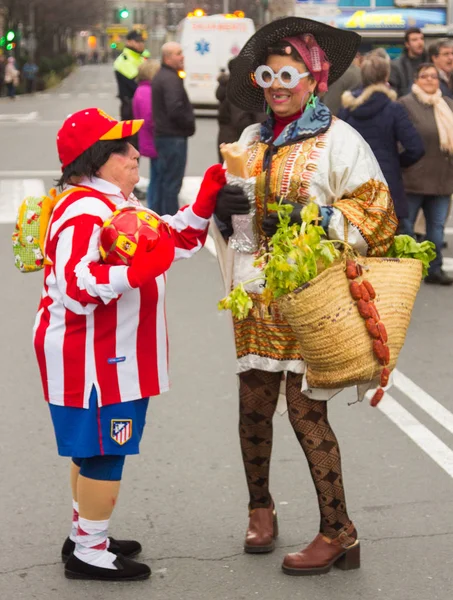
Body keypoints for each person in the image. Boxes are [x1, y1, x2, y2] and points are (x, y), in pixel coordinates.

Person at [213, 16, 397, 576]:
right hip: (255, 297)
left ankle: (339, 530)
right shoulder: (249, 140)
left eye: (288, 73)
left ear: (313, 78)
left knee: (305, 412)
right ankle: (260, 508)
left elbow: (379, 215)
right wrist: (224, 216)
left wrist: (317, 216)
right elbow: (235, 231)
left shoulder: (340, 140)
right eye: (267, 74)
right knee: (253, 406)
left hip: (314, 298)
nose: (276, 84)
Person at [33, 107, 226, 581]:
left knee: (92, 448)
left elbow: (170, 240)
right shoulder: (84, 211)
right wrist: (135, 272)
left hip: (109, 353)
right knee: (104, 449)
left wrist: (203, 203)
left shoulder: (116, 203)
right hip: (96, 358)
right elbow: (77, 288)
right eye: (121, 149)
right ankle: (89, 551)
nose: (135, 153)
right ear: (95, 160)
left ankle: (85, 533)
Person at [338, 49, 424, 226]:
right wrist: (397, 162)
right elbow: (416, 148)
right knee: (394, 240)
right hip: (387, 182)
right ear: (386, 76)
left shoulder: (347, 109)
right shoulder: (393, 108)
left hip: (354, 183)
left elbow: (337, 145)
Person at [399, 63, 453, 285]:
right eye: (425, 76)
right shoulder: (405, 105)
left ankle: (435, 269)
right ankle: (406, 269)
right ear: (416, 80)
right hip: (413, 179)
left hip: (442, 179)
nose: (430, 80)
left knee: (436, 230)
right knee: (407, 228)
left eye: (434, 76)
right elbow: (399, 141)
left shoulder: (447, 105)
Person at [152, 42, 195, 215]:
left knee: (164, 182)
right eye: (178, 53)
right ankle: (170, 222)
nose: (182, 56)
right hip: (173, 137)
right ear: (167, 57)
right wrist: (189, 124)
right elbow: (175, 109)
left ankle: (161, 218)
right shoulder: (170, 79)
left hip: (165, 136)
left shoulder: (163, 75)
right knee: (171, 184)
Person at [216, 58, 266, 162]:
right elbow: (241, 120)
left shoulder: (228, 86)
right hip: (237, 143)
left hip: (227, 139)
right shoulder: (239, 90)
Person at [132, 59, 160, 209]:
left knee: (156, 175)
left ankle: (153, 205)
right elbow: (150, 118)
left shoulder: (141, 90)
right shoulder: (148, 91)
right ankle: (153, 207)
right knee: (157, 178)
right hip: (153, 139)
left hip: (147, 139)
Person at [113, 30, 146, 121]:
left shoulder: (140, 58)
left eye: (142, 41)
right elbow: (135, 83)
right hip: (131, 105)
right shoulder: (124, 60)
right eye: (137, 41)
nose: (141, 44)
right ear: (128, 42)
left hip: (141, 103)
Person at [389, 27, 427, 98]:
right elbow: (394, 92)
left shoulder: (430, 62)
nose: (420, 42)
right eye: (414, 40)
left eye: (421, 39)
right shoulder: (396, 66)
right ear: (407, 44)